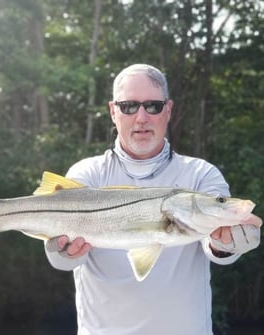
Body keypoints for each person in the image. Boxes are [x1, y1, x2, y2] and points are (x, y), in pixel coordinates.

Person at [45, 64, 262, 335]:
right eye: (129, 106)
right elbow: (64, 262)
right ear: (113, 111)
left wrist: (227, 244)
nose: (141, 117)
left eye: (153, 106)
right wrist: (62, 251)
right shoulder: (86, 174)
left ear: (168, 110)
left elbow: (218, 252)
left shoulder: (200, 174)